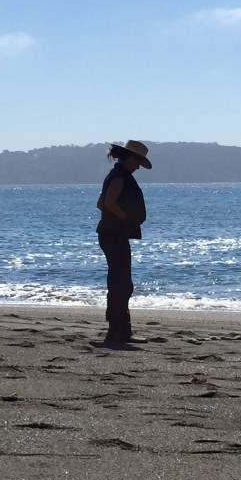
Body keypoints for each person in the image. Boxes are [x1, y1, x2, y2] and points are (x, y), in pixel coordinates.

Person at [96, 139, 151, 346]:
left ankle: (119, 330)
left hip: (111, 233)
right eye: (138, 161)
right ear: (131, 157)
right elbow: (108, 202)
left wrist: (117, 220)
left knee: (120, 282)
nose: (138, 166)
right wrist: (125, 219)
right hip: (114, 235)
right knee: (122, 283)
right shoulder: (120, 176)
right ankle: (118, 331)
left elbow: (100, 203)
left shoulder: (117, 175)